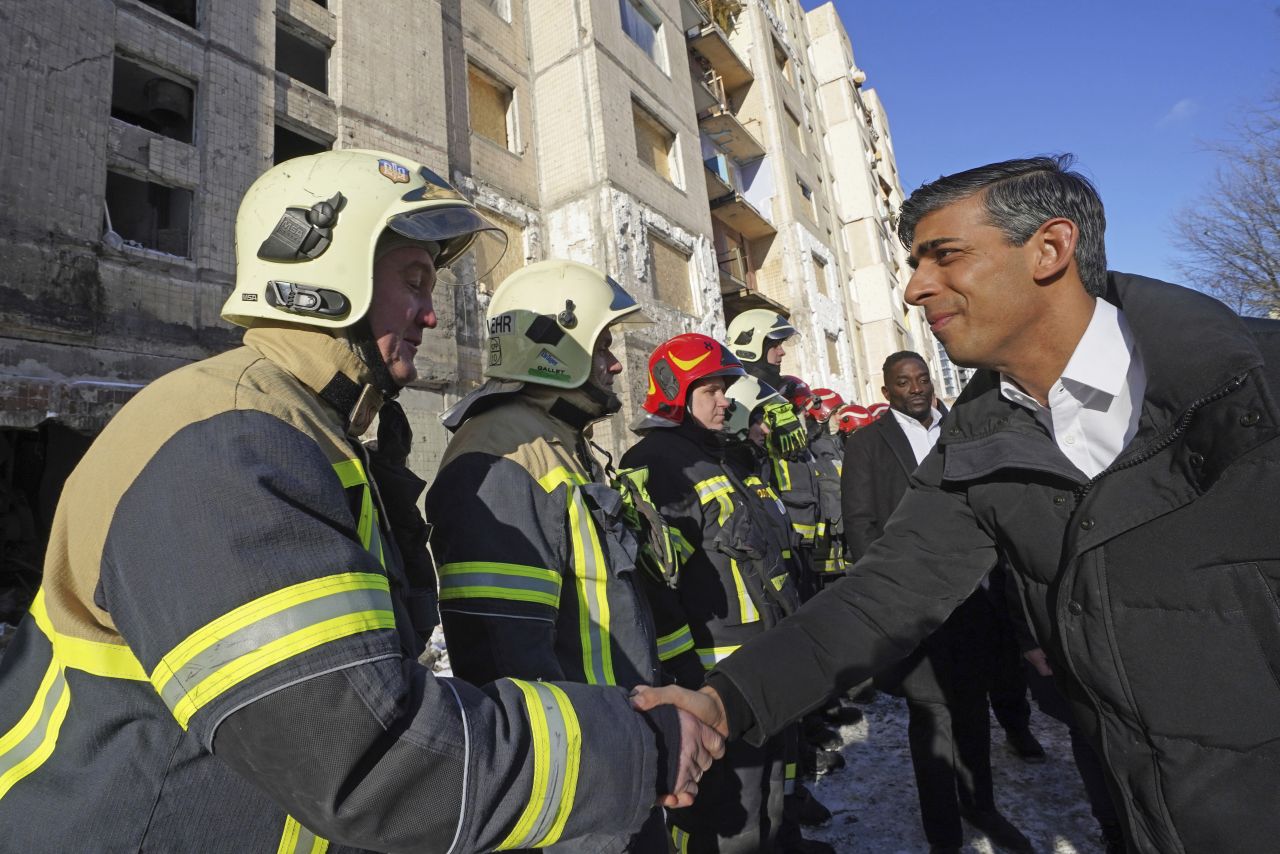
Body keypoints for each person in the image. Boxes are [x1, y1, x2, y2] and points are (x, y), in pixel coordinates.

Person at [0, 149, 721, 852]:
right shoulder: (226, 440)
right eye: (414, 280)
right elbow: (367, 756)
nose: (430, 316)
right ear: (327, 269)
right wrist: (637, 748)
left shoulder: (315, 432)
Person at [632, 154, 1280, 853]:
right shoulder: (978, 437)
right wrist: (725, 702)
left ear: (1050, 249)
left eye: (945, 257)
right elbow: (884, 593)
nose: (914, 289)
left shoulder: (1251, 385)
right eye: (914, 262)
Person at [426, 258, 675, 851]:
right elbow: (506, 658)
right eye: (602, 347)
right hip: (584, 779)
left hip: (618, 743)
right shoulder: (501, 454)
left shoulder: (556, 443)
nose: (616, 364)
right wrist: (583, 777)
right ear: (553, 352)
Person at [622, 336, 818, 854]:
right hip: (716, 674)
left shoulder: (723, 457)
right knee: (731, 817)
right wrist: (685, 676)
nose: (725, 399)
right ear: (675, 393)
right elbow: (656, 586)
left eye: (724, 388)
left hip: (767, 658)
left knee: (775, 796)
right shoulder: (657, 463)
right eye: (710, 389)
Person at [842, 351, 1030, 854]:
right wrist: (888, 594)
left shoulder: (965, 430)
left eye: (922, 378)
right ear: (887, 392)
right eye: (904, 382)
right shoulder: (867, 445)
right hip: (915, 604)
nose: (917, 388)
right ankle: (943, 832)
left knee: (972, 708)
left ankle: (980, 805)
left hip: (975, 597)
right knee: (932, 718)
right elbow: (860, 525)